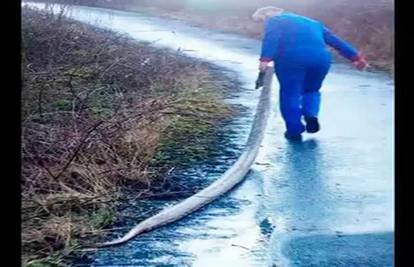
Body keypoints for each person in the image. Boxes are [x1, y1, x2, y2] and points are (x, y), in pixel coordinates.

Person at [252, 6, 368, 140]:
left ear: (268, 13)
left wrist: (265, 59)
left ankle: (294, 129)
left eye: (261, 20)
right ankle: (311, 114)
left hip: (291, 58)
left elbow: (272, 38)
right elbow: (335, 40)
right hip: (321, 59)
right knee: (312, 90)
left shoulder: (275, 20)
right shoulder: (313, 22)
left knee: (290, 93)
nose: (263, 24)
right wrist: (356, 58)